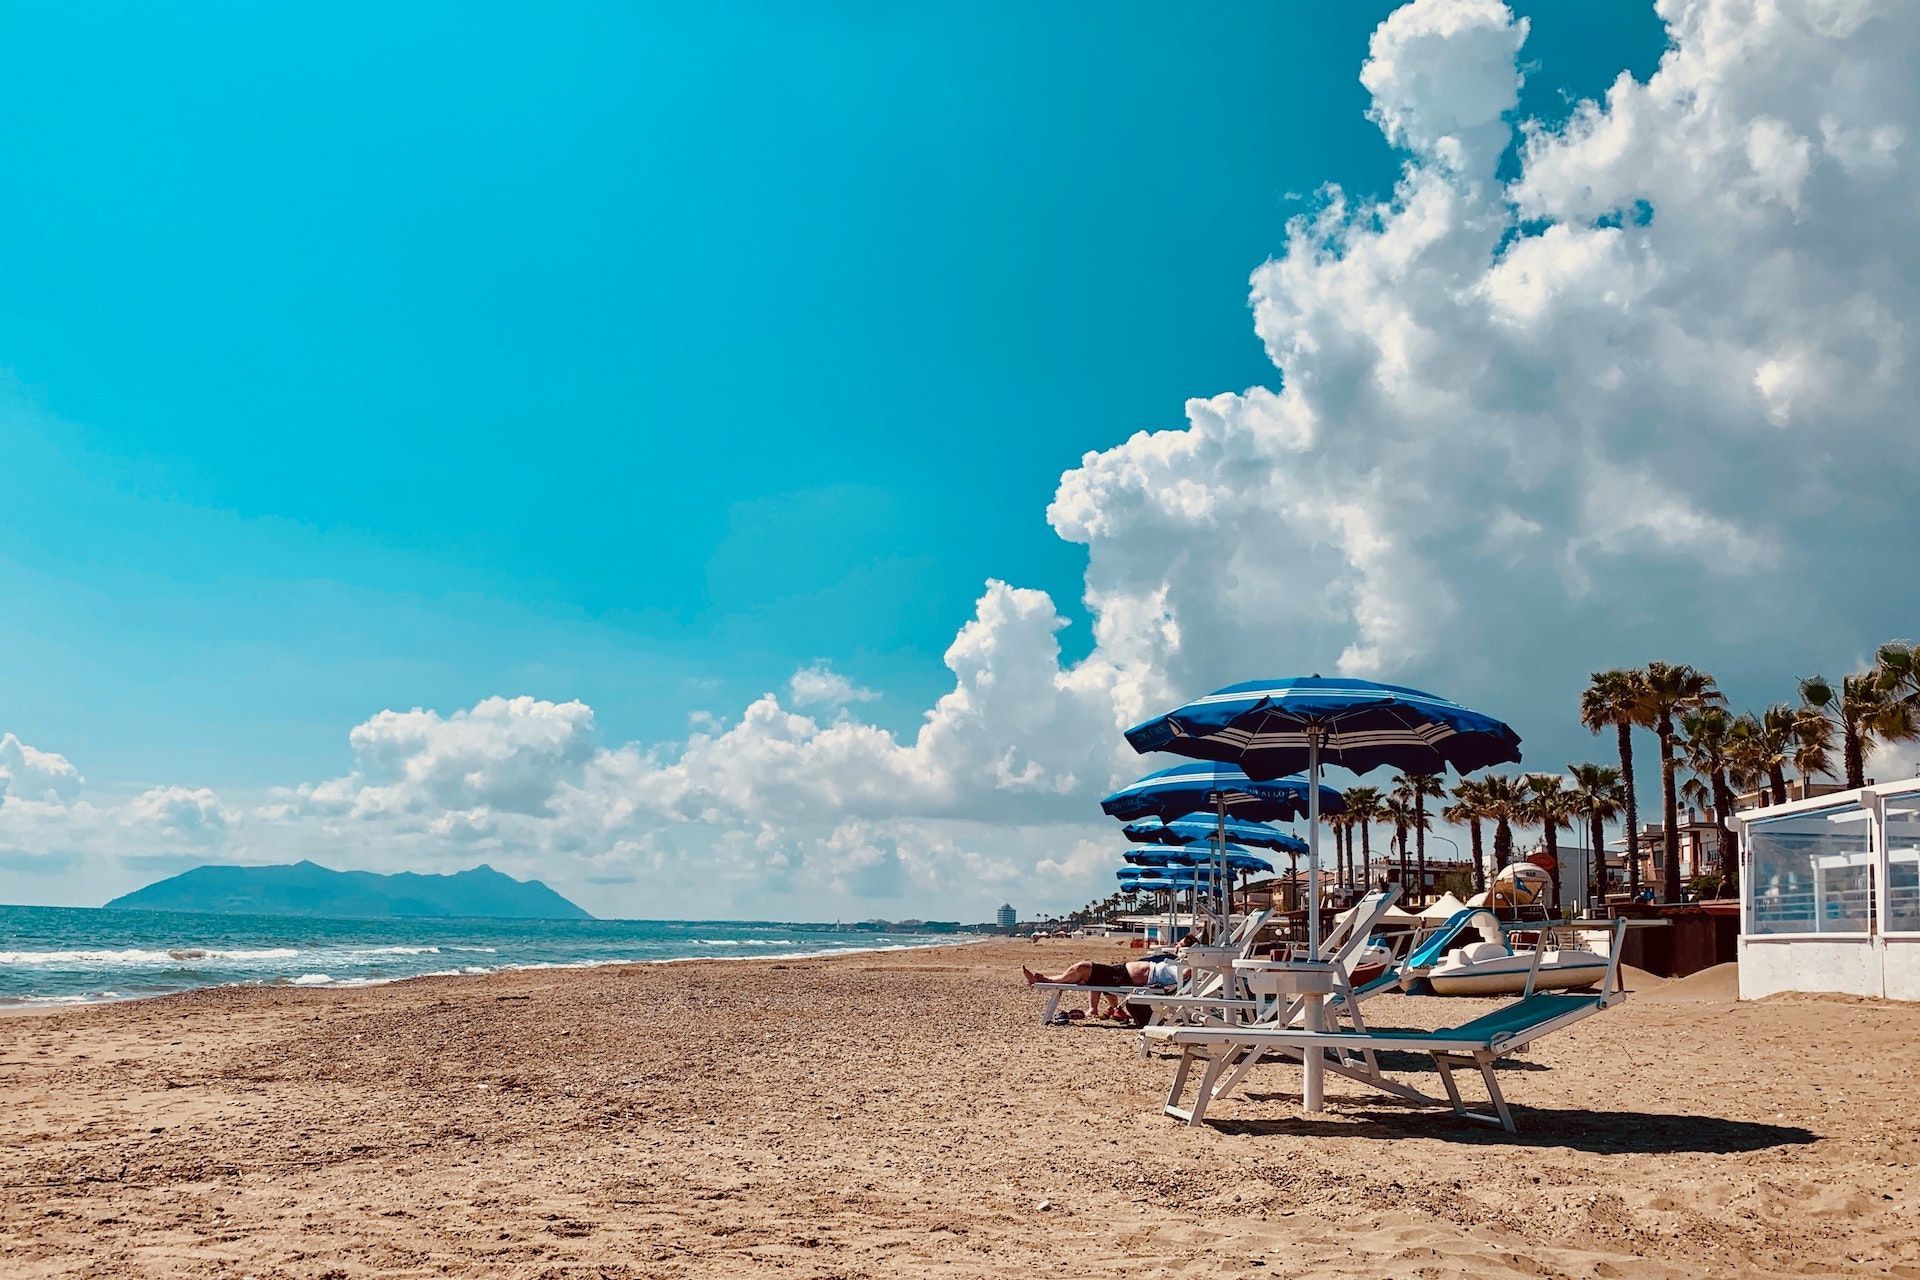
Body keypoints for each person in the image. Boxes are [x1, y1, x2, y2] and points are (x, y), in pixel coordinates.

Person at [1022, 949, 1187, 1020]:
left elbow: (1185, 974)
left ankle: (1048, 980)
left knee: (1083, 967)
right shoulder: (1174, 964)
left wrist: (1190, 963)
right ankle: (1048, 980)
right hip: (1121, 973)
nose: (1180, 952)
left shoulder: (1180, 969)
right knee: (1087, 975)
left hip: (1124, 977)